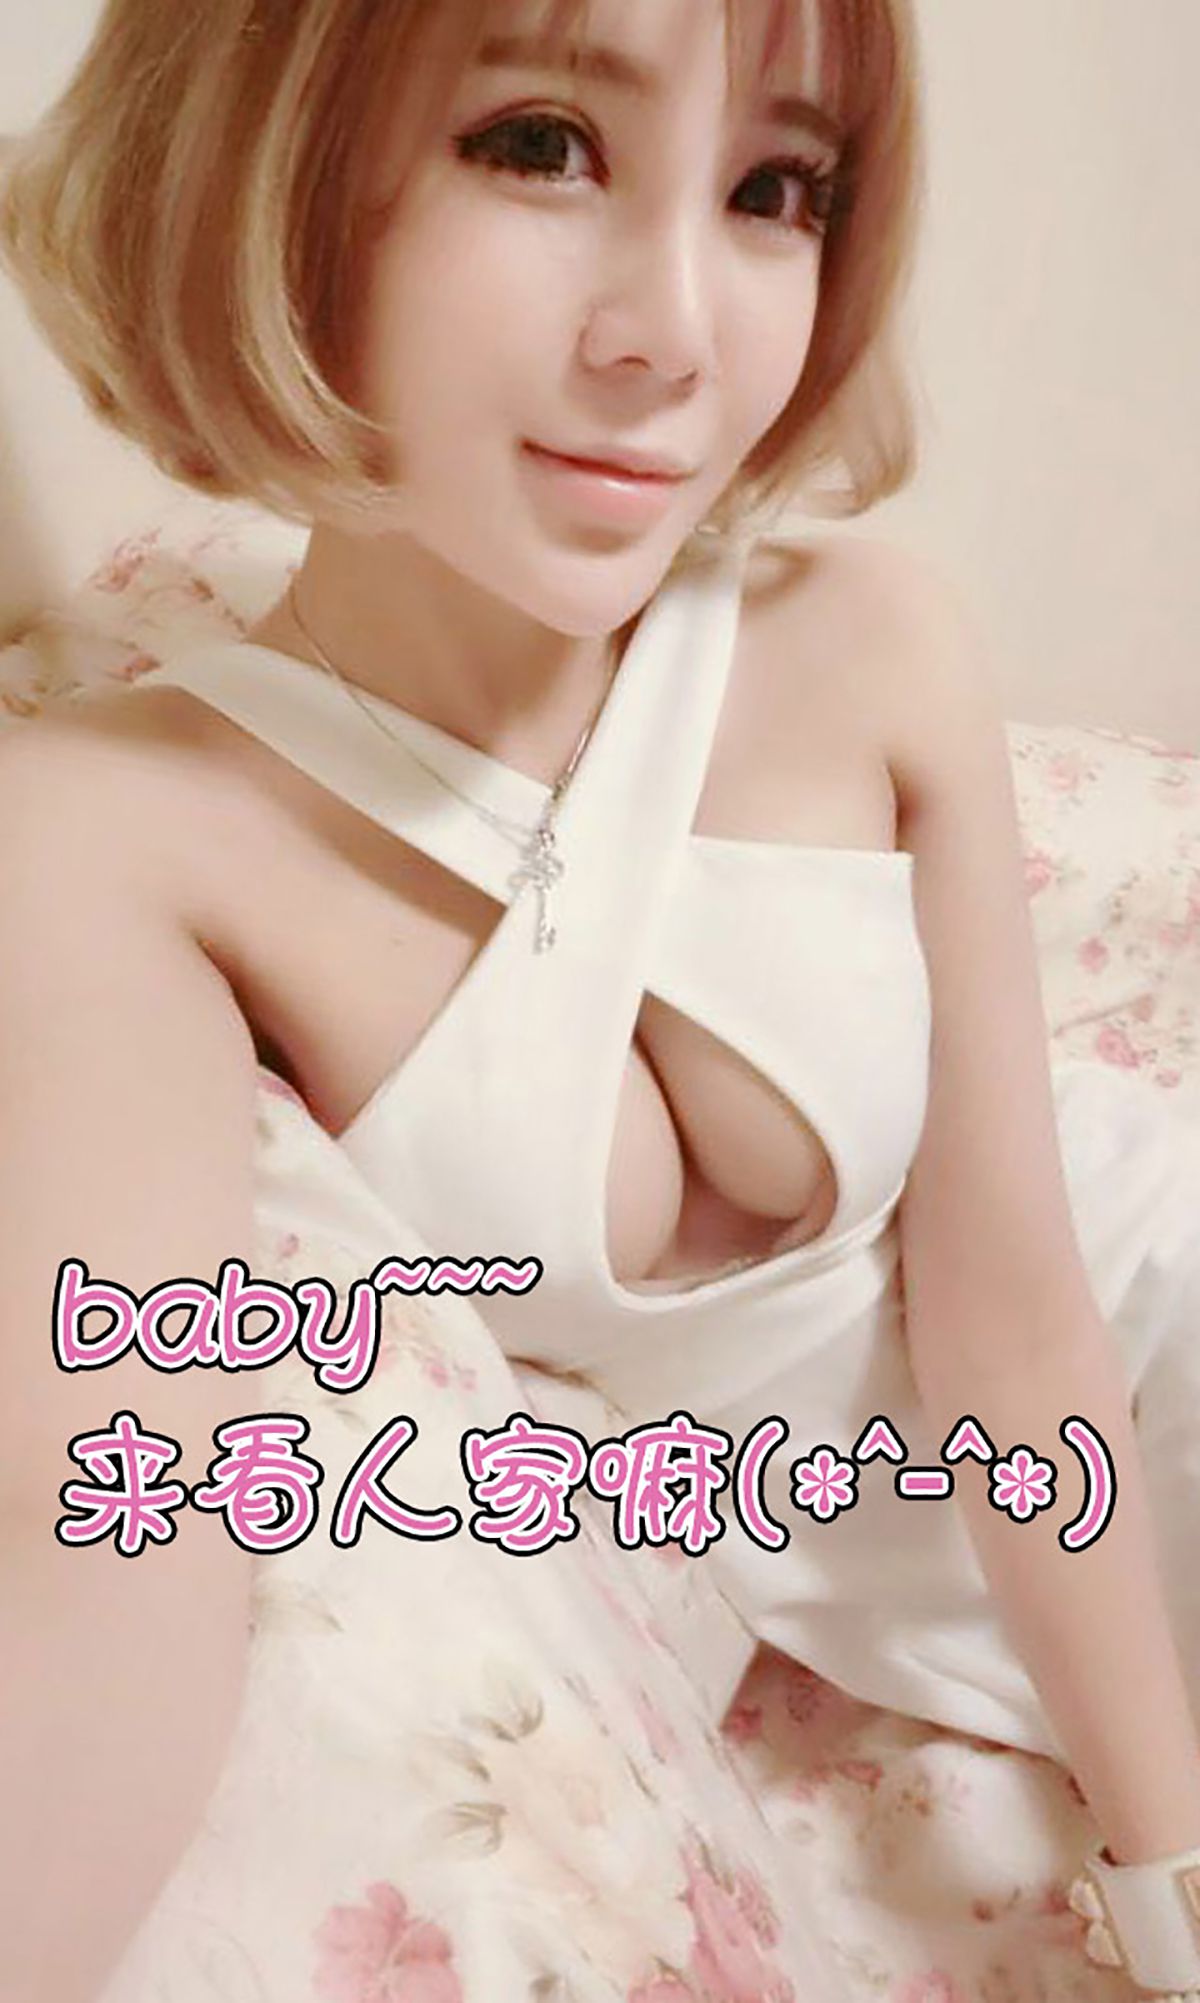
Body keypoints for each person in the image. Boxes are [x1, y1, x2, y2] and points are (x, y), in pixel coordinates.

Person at [3, 0, 1200, 1997]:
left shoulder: (869, 642)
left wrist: (1170, 1866)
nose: (677, 335)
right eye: (542, 145)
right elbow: (106, 1544)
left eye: (774, 188)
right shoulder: (113, 825)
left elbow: (1021, 1305)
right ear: (267, 165)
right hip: (868, 1576)